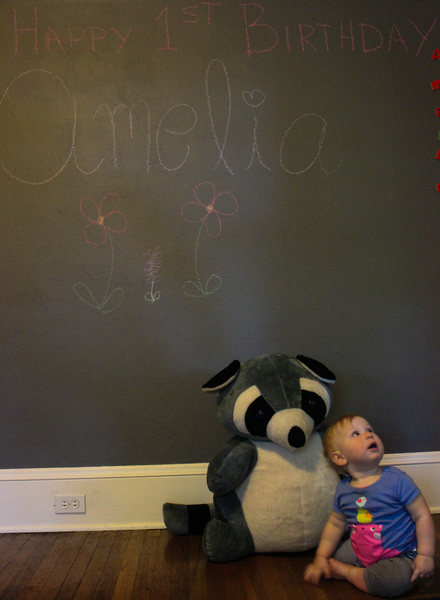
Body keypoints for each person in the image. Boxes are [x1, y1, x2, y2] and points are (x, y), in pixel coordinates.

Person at [303, 414, 435, 597]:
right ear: (340, 458)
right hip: (360, 549)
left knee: (393, 581)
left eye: (369, 430)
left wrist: (425, 555)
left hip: (400, 555)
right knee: (332, 555)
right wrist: (321, 557)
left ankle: (348, 572)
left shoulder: (398, 480)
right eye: (356, 434)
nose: (369, 434)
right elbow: (335, 524)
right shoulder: (343, 490)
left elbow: (422, 516)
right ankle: (362, 572)